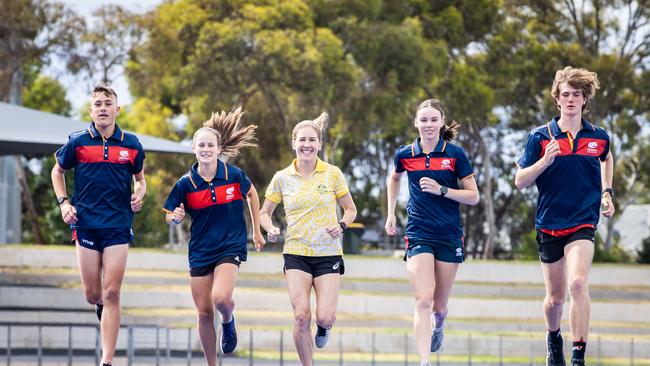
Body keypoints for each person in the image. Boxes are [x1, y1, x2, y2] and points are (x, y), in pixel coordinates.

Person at [514, 66, 614, 366]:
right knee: (555, 300)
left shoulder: (598, 136)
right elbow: (520, 181)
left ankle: (578, 355)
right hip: (549, 224)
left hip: (582, 222)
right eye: (565, 95)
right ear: (557, 100)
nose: (571, 100)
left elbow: (606, 156)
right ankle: (554, 337)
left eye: (577, 95)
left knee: (578, 284)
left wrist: (607, 192)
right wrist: (544, 161)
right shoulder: (540, 137)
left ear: (585, 100)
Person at [51, 84, 146, 366]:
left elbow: (140, 179)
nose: (103, 108)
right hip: (86, 224)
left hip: (117, 224)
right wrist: (64, 203)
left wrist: (139, 194)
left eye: (108, 103)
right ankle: (102, 307)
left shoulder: (132, 144)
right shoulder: (77, 141)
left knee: (112, 290)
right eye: (98, 104)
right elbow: (58, 171)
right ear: (91, 111)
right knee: (94, 295)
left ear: (117, 109)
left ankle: (107, 360)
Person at [163, 107, 265, 366]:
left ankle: (229, 321)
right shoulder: (185, 183)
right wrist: (174, 217)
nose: (206, 149)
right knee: (203, 313)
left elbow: (252, 193)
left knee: (220, 299)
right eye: (201, 145)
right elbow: (170, 214)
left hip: (229, 246)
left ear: (219, 149)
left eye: (210, 145)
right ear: (194, 149)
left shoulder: (233, 175)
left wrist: (256, 230)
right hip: (200, 250)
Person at [385, 99, 479, 366]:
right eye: (423, 120)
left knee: (438, 307)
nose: (428, 125)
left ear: (441, 122)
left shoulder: (455, 155)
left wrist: (443, 190)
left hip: (449, 235)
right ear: (416, 123)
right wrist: (391, 212)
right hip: (418, 233)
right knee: (423, 300)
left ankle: (440, 324)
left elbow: (474, 196)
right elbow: (394, 178)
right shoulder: (405, 154)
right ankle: (424, 362)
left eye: (433, 120)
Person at [259, 112, 357, 366]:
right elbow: (264, 213)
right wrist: (269, 228)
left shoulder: (332, 174)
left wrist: (342, 225)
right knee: (301, 316)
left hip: (328, 255)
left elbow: (351, 209)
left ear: (319, 144)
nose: (307, 144)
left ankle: (324, 328)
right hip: (296, 253)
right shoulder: (282, 177)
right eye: (302, 140)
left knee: (324, 317)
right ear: (294, 143)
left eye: (312, 140)